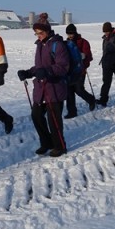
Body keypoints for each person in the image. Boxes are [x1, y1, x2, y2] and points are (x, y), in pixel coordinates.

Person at [17, 13, 69, 157]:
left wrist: (46, 71)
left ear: (47, 31)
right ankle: (46, 143)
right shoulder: (40, 45)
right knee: (36, 116)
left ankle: (60, 146)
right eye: (36, 33)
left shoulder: (57, 45)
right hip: (41, 89)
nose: (38, 35)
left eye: (40, 33)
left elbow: (63, 67)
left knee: (54, 121)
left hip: (54, 88)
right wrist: (28, 72)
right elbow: (39, 67)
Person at [63, 24, 96, 119]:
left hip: (80, 71)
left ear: (75, 32)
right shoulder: (66, 43)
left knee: (79, 90)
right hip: (69, 71)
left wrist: (83, 60)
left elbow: (89, 56)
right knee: (69, 91)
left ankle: (91, 100)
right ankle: (72, 111)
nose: (70, 35)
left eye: (72, 33)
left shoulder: (83, 42)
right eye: (68, 33)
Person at [97, 22, 115, 107]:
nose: (105, 33)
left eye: (107, 31)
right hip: (106, 63)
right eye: (104, 31)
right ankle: (103, 99)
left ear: (110, 30)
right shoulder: (105, 38)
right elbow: (105, 51)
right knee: (106, 81)